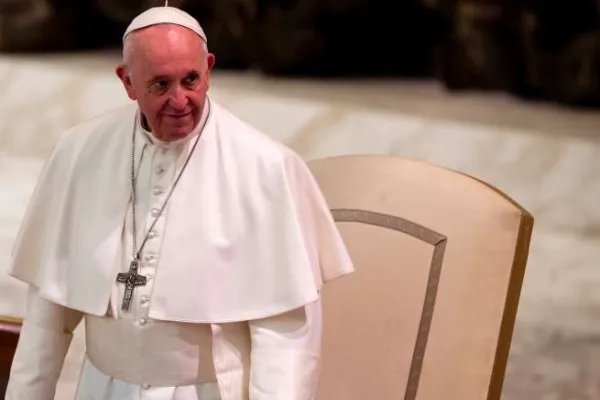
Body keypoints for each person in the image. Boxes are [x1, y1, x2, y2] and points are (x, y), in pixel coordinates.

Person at [5, 5, 354, 400]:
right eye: (160, 85)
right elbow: (48, 313)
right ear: (127, 81)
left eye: (191, 80)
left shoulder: (267, 168)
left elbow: (286, 338)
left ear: (209, 67)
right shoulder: (79, 153)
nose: (180, 100)